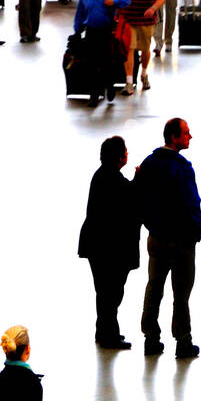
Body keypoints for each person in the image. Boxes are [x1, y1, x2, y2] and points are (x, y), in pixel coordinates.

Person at [136, 117, 201, 358]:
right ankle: (183, 340)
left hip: (156, 238)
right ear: (174, 137)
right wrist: (197, 231)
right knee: (181, 293)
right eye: (186, 133)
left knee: (154, 287)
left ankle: (151, 337)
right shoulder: (183, 168)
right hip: (182, 240)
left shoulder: (149, 163)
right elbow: (191, 202)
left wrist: (150, 223)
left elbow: (138, 197)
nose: (190, 136)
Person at [78, 136, 141, 348]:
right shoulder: (112, 178)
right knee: (111, 292)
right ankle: (108, 334)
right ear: (119, 156)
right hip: (108, 248)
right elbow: (131, 199)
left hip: (97, 245)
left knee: (105, 291)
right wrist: (140, 179)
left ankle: (106, 330)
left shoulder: (103, 175)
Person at [72, 0, 129, 105]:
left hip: (106, 32)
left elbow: (127, 0)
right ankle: (94, 95)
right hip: (91, 32)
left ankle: (109, 86)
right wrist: (77, 31)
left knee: (107, 62)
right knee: (91, 64)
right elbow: (79, 15)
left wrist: (114, 2)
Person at [116, 0, 163, 93]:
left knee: (145, 49)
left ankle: (144, 73)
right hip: (129, 19)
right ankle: (129, 82)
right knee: (129, 49)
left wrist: (153, 8)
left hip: (146, 20)